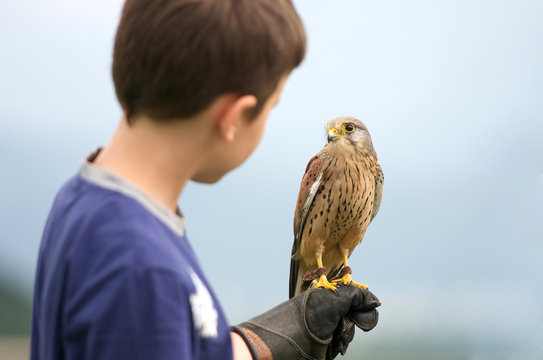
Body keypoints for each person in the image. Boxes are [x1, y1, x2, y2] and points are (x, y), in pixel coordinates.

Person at [30, 0, 381, 359]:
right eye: (271, 107)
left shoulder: (87, 201)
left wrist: (275, 340)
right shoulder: (141, 269)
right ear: (233, 117)